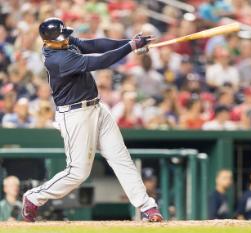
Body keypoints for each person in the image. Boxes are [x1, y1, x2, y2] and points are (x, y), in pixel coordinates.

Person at [22, 18, 163, 222]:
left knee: (120, 157)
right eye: (61, 38)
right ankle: (34, 197)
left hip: (96, 107)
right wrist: (131, 47)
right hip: (75, 115)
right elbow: (100, 61)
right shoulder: (57, 60)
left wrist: (128, 42)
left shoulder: (62, 42)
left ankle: (147, 206)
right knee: (78, 172)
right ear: (48, 41)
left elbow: (94, 45)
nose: (66, 40)